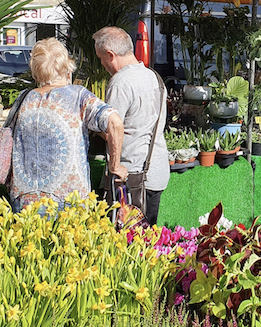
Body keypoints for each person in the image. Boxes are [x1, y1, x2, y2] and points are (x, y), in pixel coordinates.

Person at [10, 37, 127, 212]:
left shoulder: (24, 98)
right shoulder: (78, 96)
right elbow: (115, 122)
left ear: (35, 70)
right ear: (67, 66)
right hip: (69, 200)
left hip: (26, 200)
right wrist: (115, 166)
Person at [93, 26, 169, 225]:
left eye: (101, 58)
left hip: (130, 177)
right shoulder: (154, 77)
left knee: (123, 244)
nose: (102, 64)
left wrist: (93, 128)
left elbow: (112, 130)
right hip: (156, 172)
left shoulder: (120, 83)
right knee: (146, 242)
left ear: (110, 55)